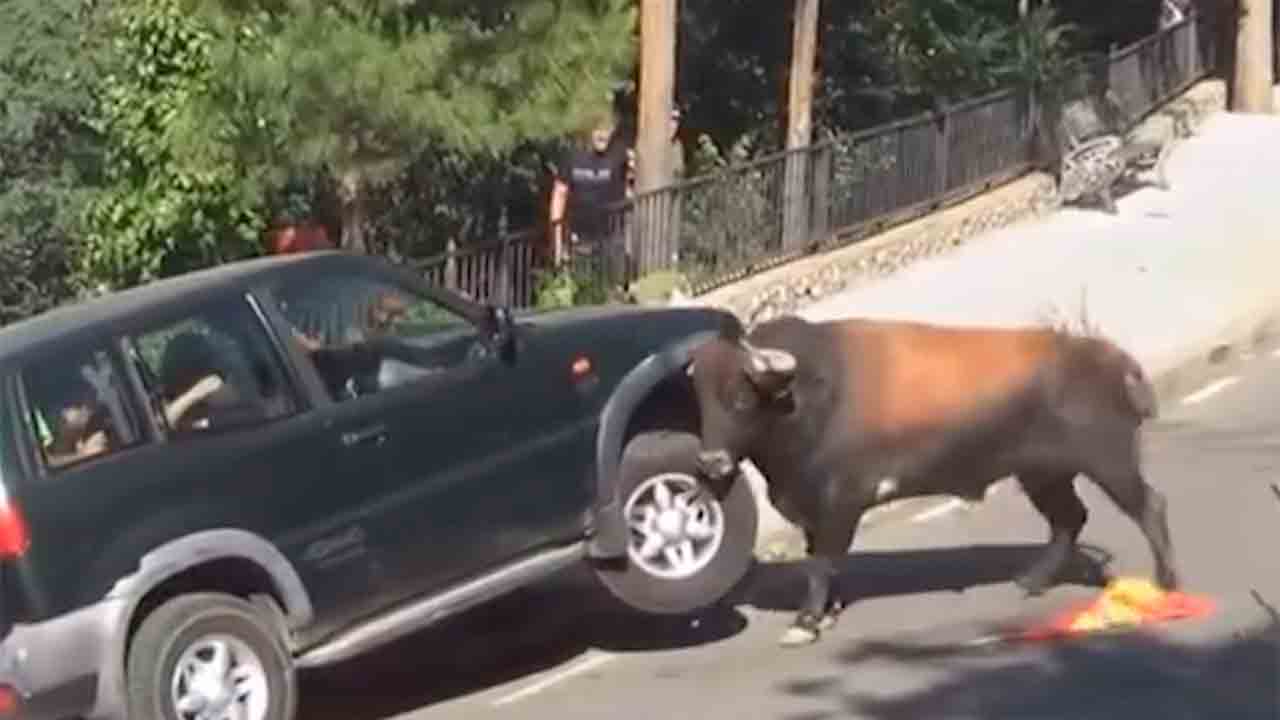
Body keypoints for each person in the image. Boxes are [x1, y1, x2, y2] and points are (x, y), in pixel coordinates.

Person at [548, 111, 631, 288]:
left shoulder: (619, 153)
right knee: (583, 287)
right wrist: (557, 240)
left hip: (611, 234)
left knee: (612, 287)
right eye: (597, 130)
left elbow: (632, 182)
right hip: (580, 236)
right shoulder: (572, 156)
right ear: (589, 131)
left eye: (607, 129)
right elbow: (559, 194)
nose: (602, 135)